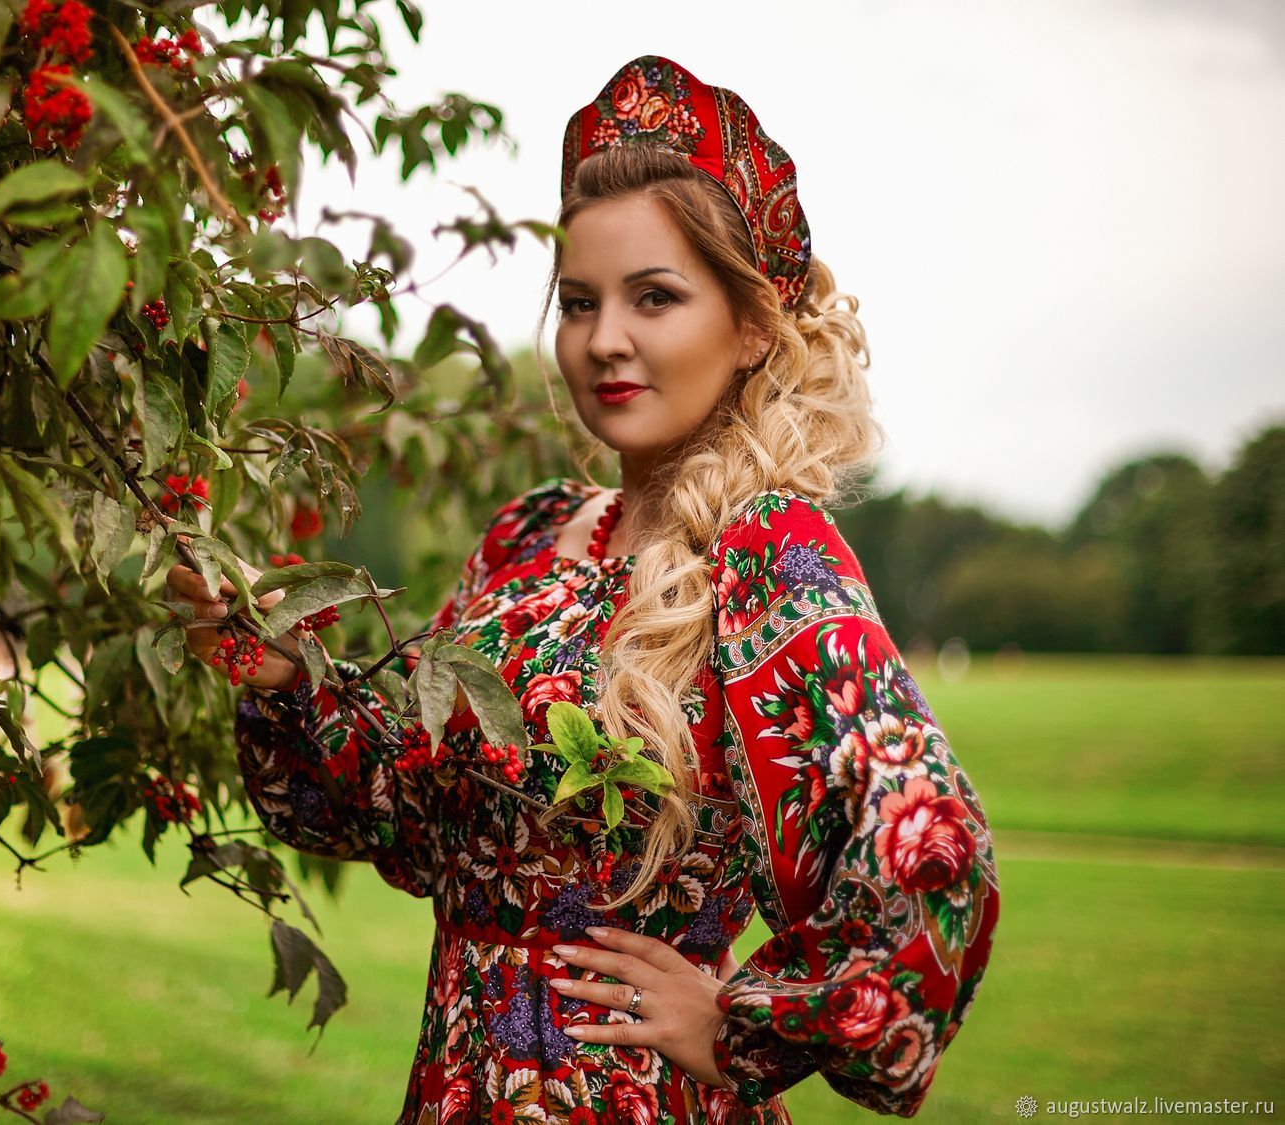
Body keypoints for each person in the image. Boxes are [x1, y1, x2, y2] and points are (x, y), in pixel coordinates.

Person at [166, 54, 999, 1125]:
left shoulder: (766, 555)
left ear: (751, 326)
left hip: (630, 1094)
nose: (604, 339)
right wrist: (284, 674)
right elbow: (413, 827)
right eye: (579, 302)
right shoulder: (525, 535)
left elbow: (930, 853)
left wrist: (741, 1026)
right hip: (459, 1083)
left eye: (656, 297)